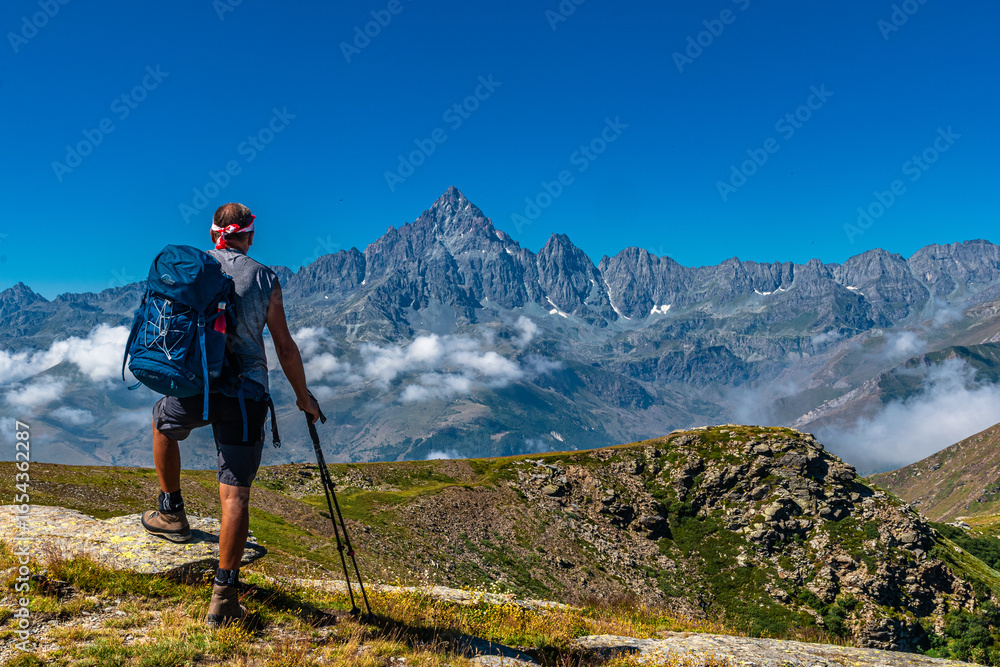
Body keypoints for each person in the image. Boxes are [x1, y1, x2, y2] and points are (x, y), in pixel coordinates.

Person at [140, 202, 320, 626]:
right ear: (251, 235)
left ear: (213, 233)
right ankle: (223, 599)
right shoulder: (264, 277)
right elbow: (284, 345)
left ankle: (171, 511)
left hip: (198, 385)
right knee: (235, 493)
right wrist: (303, 397)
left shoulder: (197, 268)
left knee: (162, 420)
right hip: (246, 393)